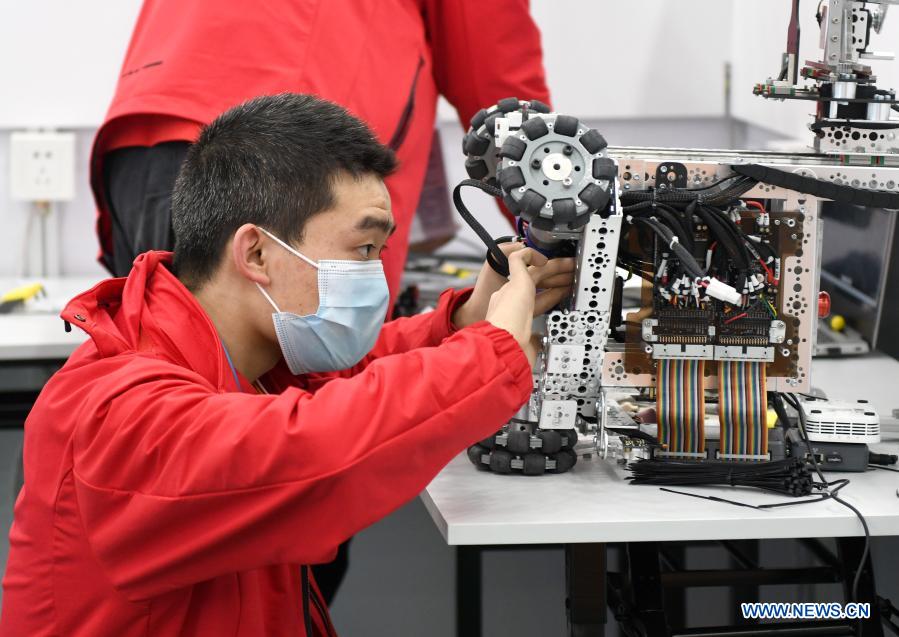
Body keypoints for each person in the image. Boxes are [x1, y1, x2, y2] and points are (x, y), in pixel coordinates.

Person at [0, 94, 574, 637]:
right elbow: (314, 450)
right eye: (363, 249)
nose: (376, 273)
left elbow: (345, 378)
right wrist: (492, 352)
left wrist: (469, 319)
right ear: (255, 253)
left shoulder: (238, 358)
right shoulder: (115, 414)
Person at [90, 0, 551, 292]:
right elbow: (501, 96)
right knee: (275, 414)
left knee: (154, 388)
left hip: (139, 134)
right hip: (279, 142)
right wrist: (557, 226)